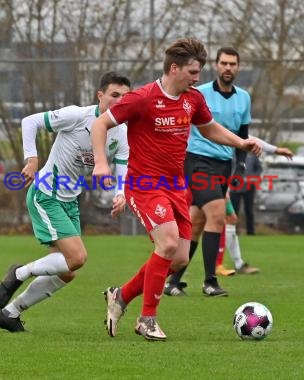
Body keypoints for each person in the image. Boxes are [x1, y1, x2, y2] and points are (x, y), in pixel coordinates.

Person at [91, 38, 262, 341]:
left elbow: (208, 128)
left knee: (180, 258)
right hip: (144, 185)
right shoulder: (142, 98)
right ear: (174, 68)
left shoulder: (192, 99)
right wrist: (101, 162)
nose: (197, 78)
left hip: (175, 186)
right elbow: (100, 125)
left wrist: (240, 142)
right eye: (193, 72)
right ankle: (147, 319)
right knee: (168, 244)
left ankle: (121, 296)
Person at [0, 72, 131, 332]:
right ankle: (19, 272)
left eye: (126, 97)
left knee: (67, 271)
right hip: (46, 194)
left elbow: (123, 164)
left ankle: (10, 313)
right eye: (115, 95)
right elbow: (30, 121)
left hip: (69, 201)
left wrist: (121, 192)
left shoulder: (122, 132)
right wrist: (31, 159)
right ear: (100, 96)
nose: (120, 100)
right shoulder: (77, 116)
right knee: (77, 257)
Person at [165, 47, 293, 297]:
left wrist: (242, 164)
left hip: (224, 164)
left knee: (197, 222)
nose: (228, 68)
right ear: (216, 65)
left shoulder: (244, 97)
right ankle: (210, 281)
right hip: (197, 161)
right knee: (217, 214)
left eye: (233, 64)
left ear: (238, 67)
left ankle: (173, 281)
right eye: (223, 63)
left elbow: (242, 137)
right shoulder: (197, 93)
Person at [230, 152, 262, 236]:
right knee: (234, 210)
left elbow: (259, 169)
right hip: (235, 187)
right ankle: (233, 231)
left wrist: (252, 178)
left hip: (249, 187)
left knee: (249, 210)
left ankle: (250, 232)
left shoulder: (252, 156)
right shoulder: (232, 155)